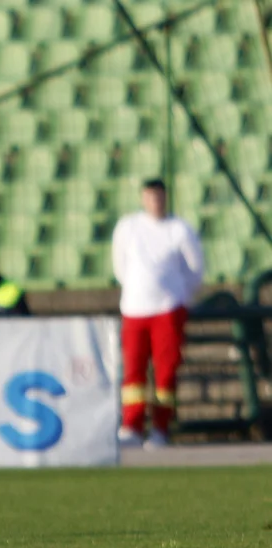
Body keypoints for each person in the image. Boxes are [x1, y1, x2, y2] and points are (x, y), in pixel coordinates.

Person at [111, 179, 205, 449]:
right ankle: (132, 425)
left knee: (166, 371)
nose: (155, 202)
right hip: (134, 310)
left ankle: (161, 427)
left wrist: (177, 296)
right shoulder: (128, 227)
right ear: (143, 198)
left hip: (167, 310)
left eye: (159, 196)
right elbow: (120, 265)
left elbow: (195, 269)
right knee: (133, 370)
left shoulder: (179, 229)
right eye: (150, 197)